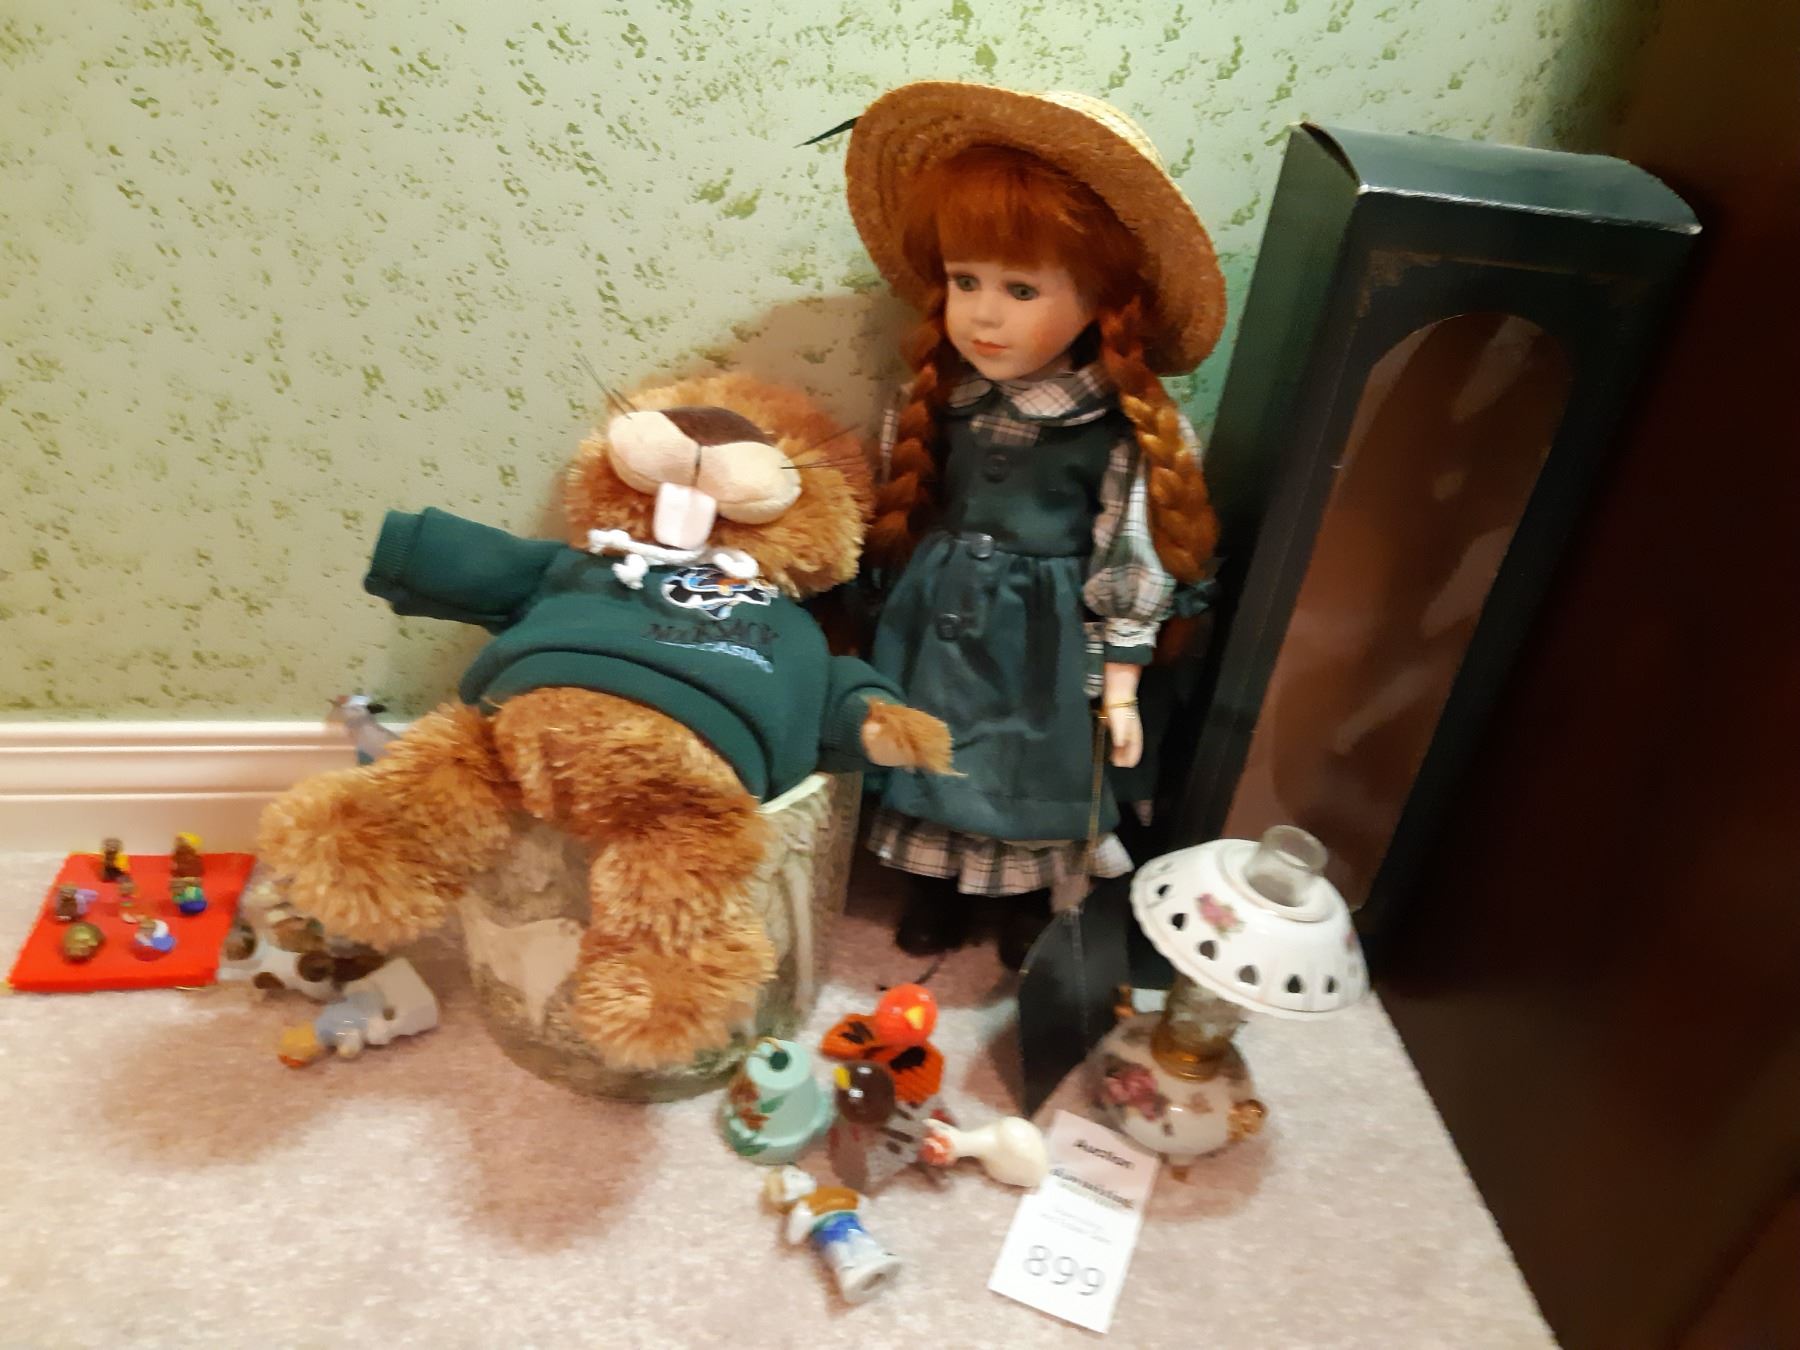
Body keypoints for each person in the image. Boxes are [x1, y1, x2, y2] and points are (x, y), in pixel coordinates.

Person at [842, 83, 1226, 968]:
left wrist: (1120, 682)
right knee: (931, 739)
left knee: (1028, 761)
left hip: (1043, 633)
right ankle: (934, 886)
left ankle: (1019, 901)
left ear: (1099, 301)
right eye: (965, 280)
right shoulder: (937, 398)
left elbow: (1129, 544)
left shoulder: (1116, 427)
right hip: (935, 617)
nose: (984, 314)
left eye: (1021, 288)